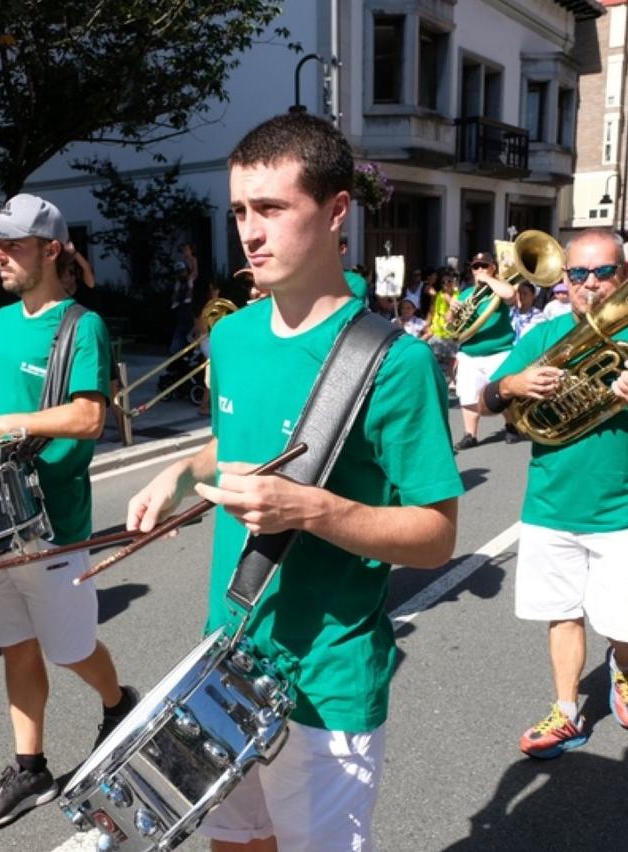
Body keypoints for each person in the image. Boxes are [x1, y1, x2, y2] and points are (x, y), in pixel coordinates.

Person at [125, 113, 462, 851]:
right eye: (241, 210)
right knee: (234, 845)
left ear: (338, 211)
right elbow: (233, 444)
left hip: (329, 682)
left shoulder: (395, 364)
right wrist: (179, 471)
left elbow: (437, 536)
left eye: (272, 208)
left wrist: (308, 508)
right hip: (228, 656)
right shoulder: (234, 336)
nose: (249, 231)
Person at [0, 193, 136, 829]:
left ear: (50, 250)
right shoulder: (9, 322)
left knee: (69, 649)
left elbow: (89, 415)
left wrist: (2, 424)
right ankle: (31, 766)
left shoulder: (81, 325)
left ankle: (119, 701)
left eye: (11, 244)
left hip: (53, 520)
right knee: (15, 646)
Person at [480, 228, 628, 759]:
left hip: (622, 508)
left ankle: (623, 667)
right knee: (563, 612)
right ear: (565, 279)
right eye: (578, 274)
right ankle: (567, 710)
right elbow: (487, 400)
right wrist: (513, 387)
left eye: (603, 272)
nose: (590, 284)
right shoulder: (541, 338)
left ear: (625, 274)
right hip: (551, 506)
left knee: (626, 623)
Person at [450, 251, 520, 451]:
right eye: (476, 266)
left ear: (493, 268)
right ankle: (470, 435)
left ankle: (511, 426)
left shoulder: (499, 289)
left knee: (504, 392)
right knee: (468, 395)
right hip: (470, 353)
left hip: (499, 351)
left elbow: (510, 295)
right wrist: (453, 312)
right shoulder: (466, 294)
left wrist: (488, 280)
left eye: (484, 266)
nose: (479, 270)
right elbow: (452, 324)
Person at [168, 243, 199, 354]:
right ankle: (176, 301)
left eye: (187, 250)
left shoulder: (193, 260)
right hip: (182, 318)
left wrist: (191, 277)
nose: (185, 252)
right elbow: (180, 271)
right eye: (184, 250)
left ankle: (188, 298)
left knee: (189, 284)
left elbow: (195, 271)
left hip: (191, 277)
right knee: (178, 286)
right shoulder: (184, 260)